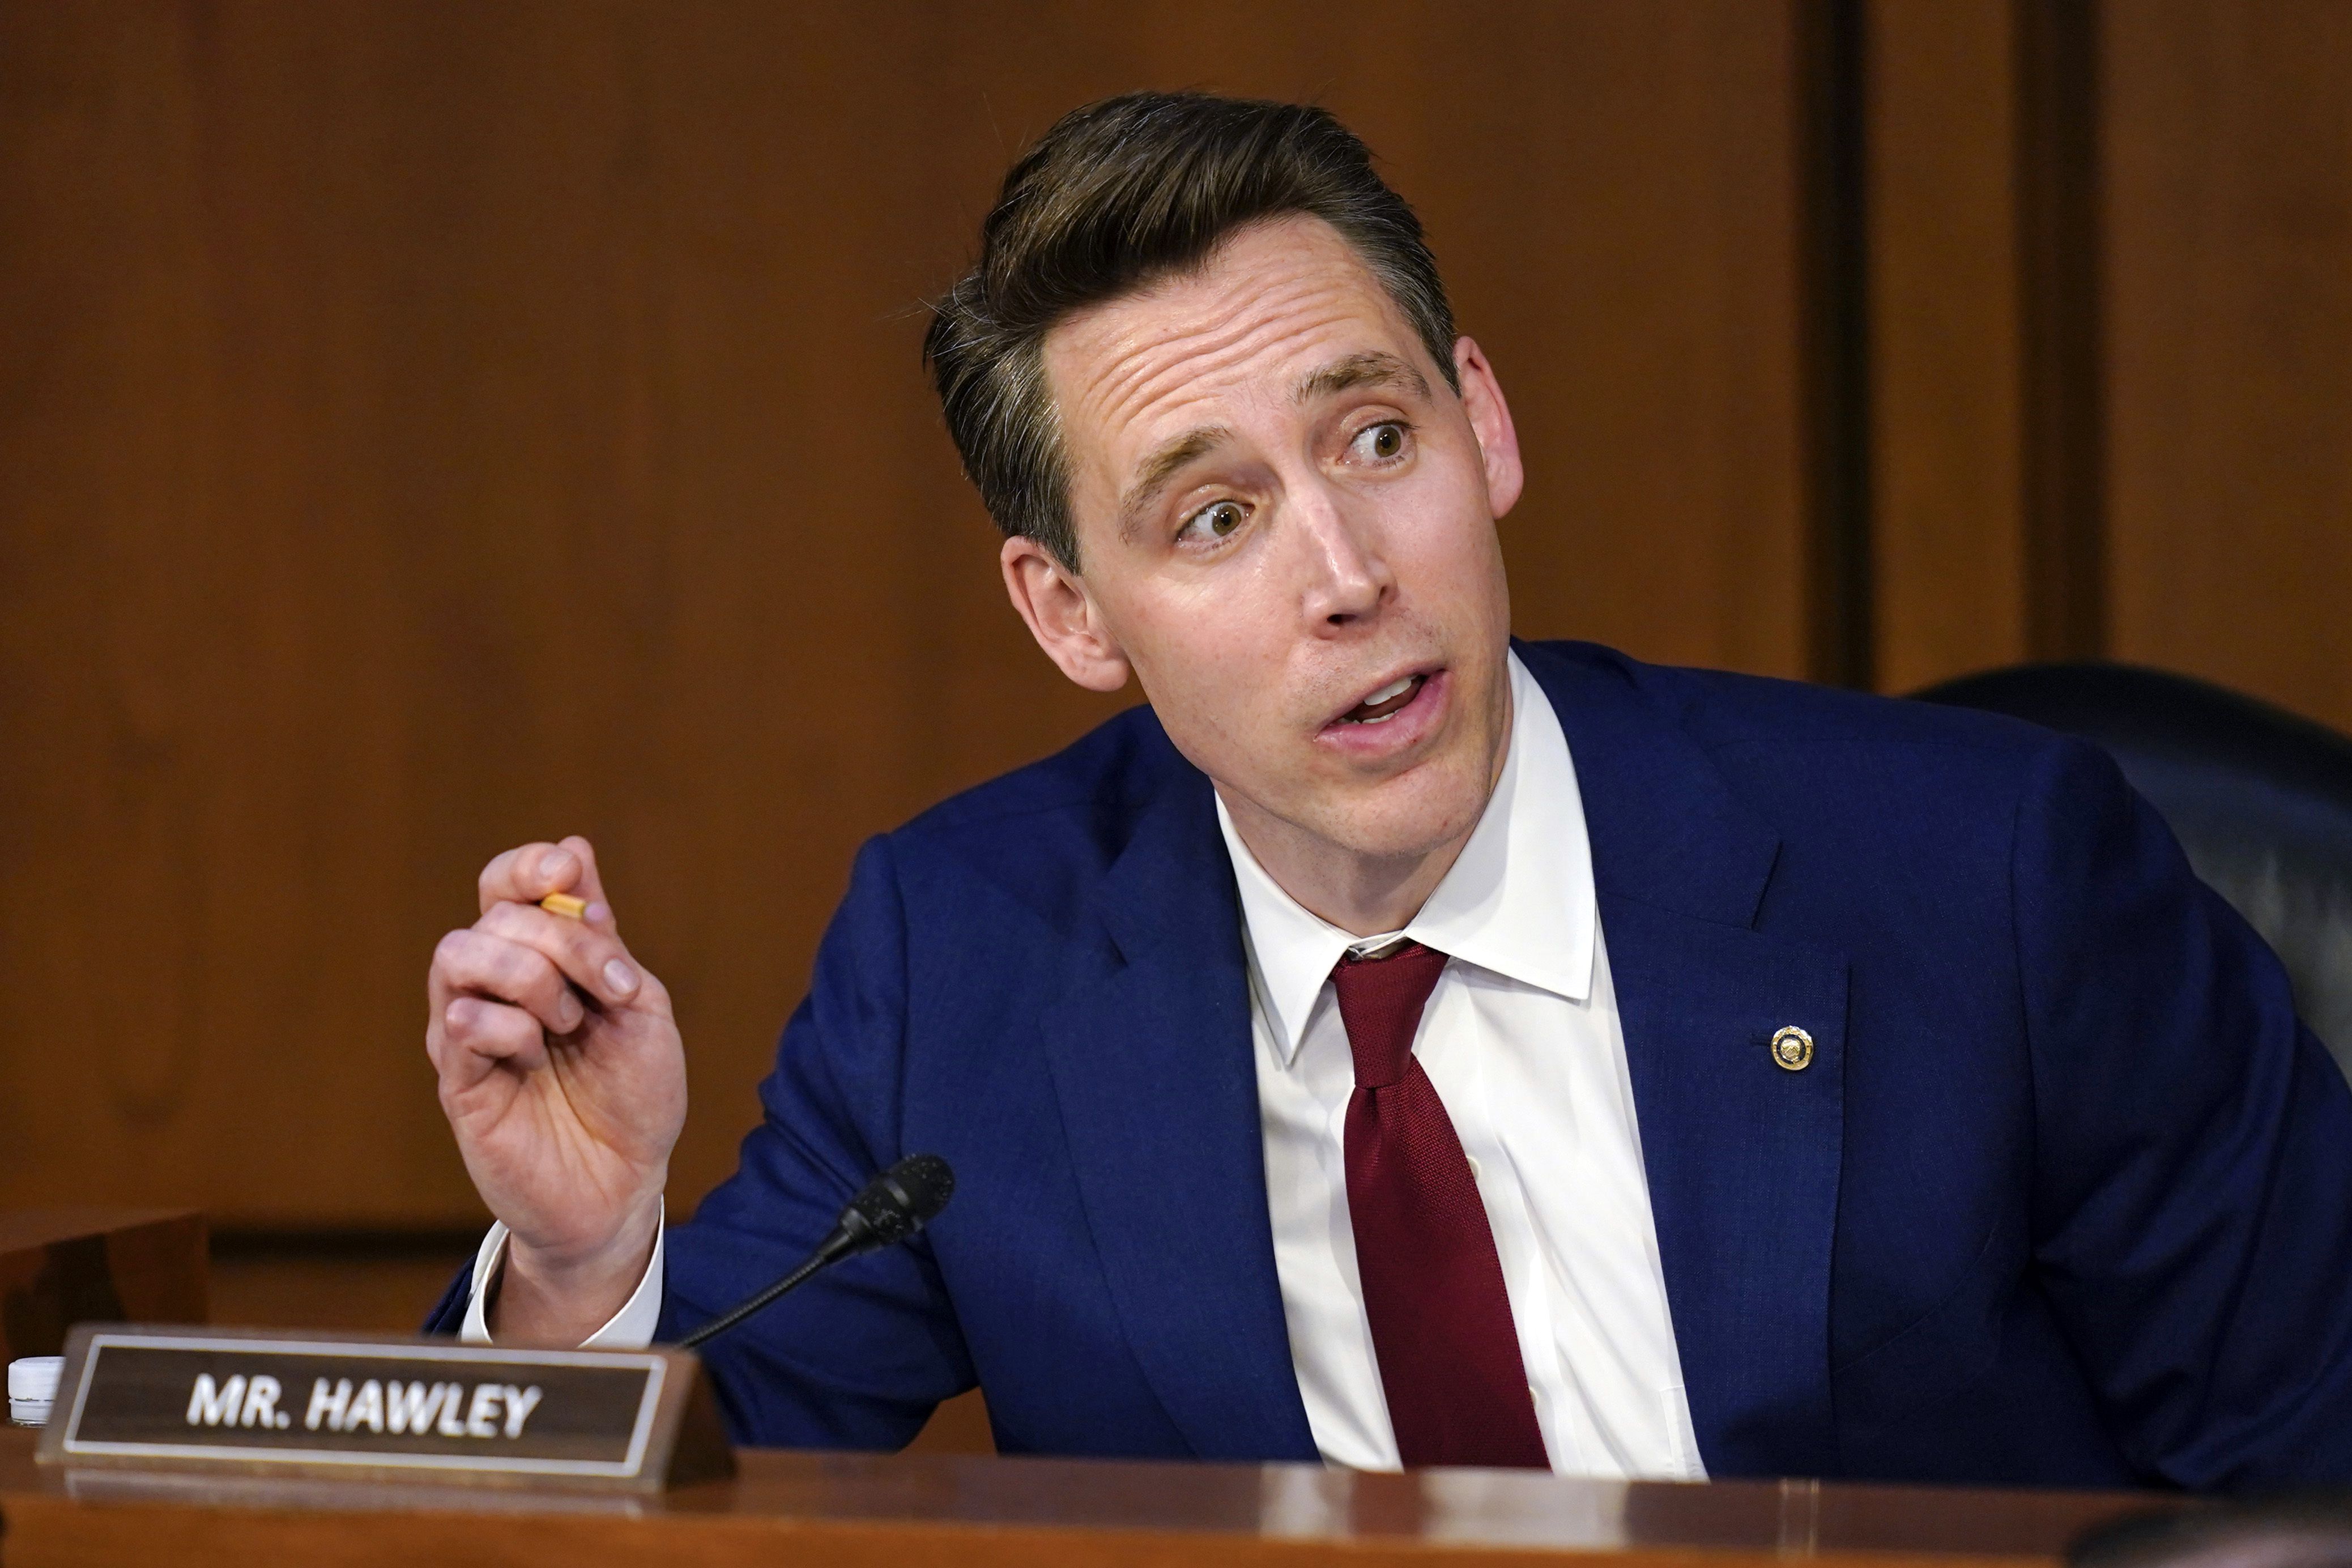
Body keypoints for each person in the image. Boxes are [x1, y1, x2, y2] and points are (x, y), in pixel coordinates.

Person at [421, 92, 2352, 1488]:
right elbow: (696, 1468)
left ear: (1484, 425)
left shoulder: (1988, 877)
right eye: (1215, 516)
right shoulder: (969, 954)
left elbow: (2310, 1464)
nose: (1346, 570)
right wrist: (585, 1268)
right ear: (1074, 613)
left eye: (1374, 434)